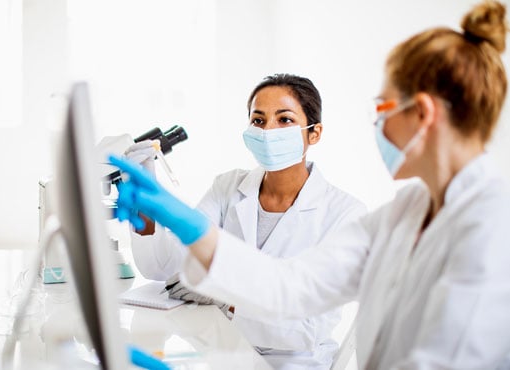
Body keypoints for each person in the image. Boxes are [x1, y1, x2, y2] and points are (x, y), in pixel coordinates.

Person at [110, 1, 510, 367]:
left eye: (382, 108)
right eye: (259, 119)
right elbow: (290, 287)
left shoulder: (491, 230)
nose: (377, 124)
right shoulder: (407, 211)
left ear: (422, 113)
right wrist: (188, 225)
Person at [123, 74, 366, 369]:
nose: (268, 131)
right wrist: (146, 209)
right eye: (259, 120)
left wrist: (227, 296)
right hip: (225, 352)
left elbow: (305, 331)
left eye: (285, 120)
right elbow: (165, 268)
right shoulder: (228, 187)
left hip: (293, 363)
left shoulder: (345, 213)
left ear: (314, 133)